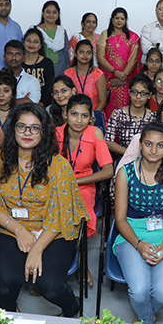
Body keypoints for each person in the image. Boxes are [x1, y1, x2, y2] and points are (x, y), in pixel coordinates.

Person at [0, 103, 88, 316]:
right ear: (13, 129)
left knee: (49, 285)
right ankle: (14, 316)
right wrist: (19, 230)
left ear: (43, 132)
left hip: (54, 231)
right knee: (4, 284)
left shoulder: (58, 165)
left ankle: (72, 310)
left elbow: (60, 215)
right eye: (21, 126)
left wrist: (37, 249)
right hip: (13, 227)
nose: (27, 133)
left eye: (35, 128)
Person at [114, 122, 163, 324]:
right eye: (148, 144)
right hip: (131, 235)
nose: (154, 150)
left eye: (160, 145)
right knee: (139, 291)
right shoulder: (125, 173)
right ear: (140, 145)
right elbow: (120, 219)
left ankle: (142, 317)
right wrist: (139, 245)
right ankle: (147, 320)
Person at [55, 94, 113, 241]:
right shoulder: (56, 134)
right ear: (66, 114)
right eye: (74, 114)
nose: (79, 120)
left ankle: (71, 243)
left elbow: (108, 171)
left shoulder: (95, 133)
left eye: (84, 115)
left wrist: (76, 181)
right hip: (56, 184)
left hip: (84, 185)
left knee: (73, 213)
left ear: (91, 118)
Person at [97, 7, 140, 117]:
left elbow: (134, 59)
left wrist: (123, 76)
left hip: (124, 81)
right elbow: (101, 58)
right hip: (108, 80)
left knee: (124, 111)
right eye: (117, 18)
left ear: (126, 21)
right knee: (108, 109)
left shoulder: (132, 37)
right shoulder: (105, 34)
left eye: (122, 18)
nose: (119, 21)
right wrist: (115, 73)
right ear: (112, 19)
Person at [106, 74, 156, 157]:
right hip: (124, 157)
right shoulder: (118, 113)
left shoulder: (154, 117)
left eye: (143, 93)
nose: (138, 96)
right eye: (134, 92)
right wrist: (130, 153)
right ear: (129, 92)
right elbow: (108, 141)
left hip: (147, 158)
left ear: (149, 95)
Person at [0, 40, 41, 105]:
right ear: (4, 57)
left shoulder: (32, 81)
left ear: (24, 58)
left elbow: (34, 101)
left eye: (18, 54)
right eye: (10, 54)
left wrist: (3, 102)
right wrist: (22, 100)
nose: (13, 57)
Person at [65, 39, 107, 112]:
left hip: (95, 114)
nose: (85, 55)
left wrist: (91, 116)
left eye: (88, 52)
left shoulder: (98, 74)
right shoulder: (68, 74)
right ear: (75, 54)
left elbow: (102, 102)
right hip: (73, 114)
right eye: (81, 52)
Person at [36, 0, 70, 77]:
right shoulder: (36, 30)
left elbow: (66, 53)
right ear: (43, 13)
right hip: (40, 68)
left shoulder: (62, 31)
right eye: (48, 12)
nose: (51, 14)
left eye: (54, 12)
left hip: (60, 69)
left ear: (58, 14)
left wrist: (68, 69)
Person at [22, 27, 55, 107]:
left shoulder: (47, 63)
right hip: (20, 104)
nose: (31, 44)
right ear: (23, 42)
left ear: (40, 45)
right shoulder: (18, 62)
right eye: (28, 41)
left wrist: (40, 105)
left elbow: (49, 88)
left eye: (35, 42)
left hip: (42, 106)